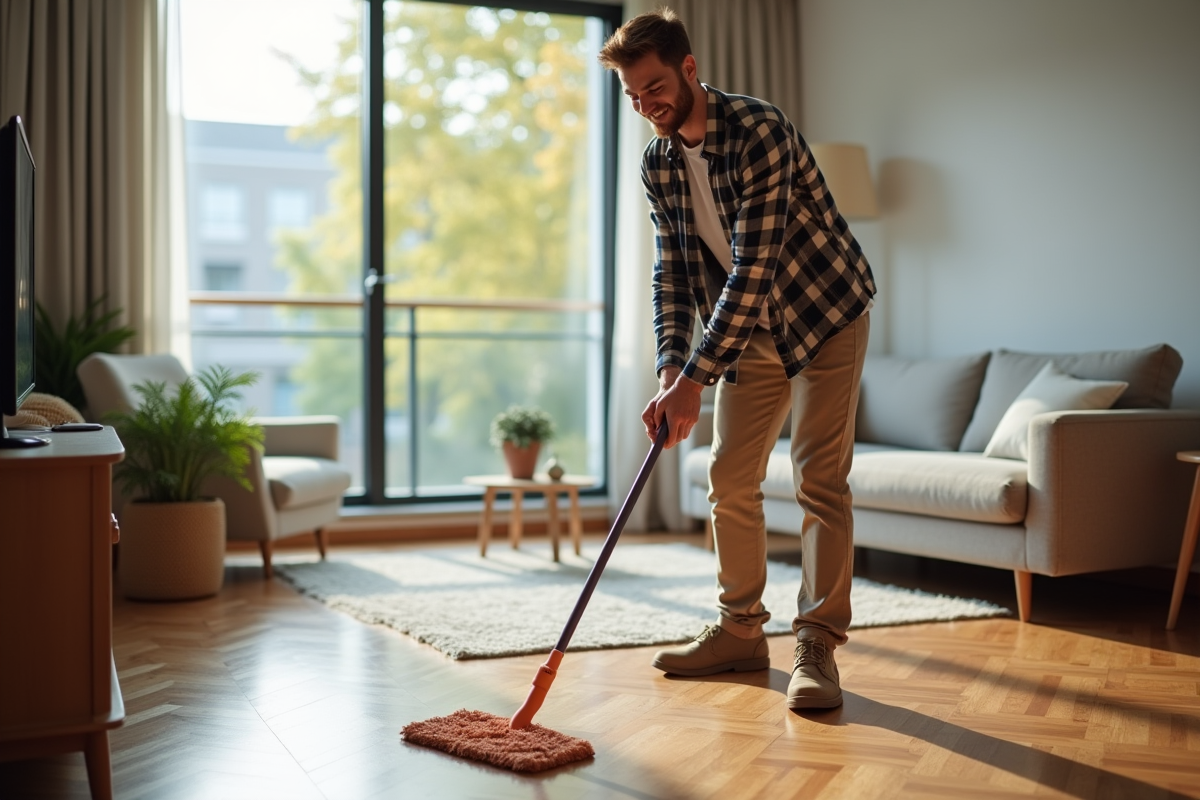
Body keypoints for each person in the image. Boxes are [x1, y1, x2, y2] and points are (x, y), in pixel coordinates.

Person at [598, 8, 876, 711]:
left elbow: (756, 265)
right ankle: (740, 630)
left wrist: (696, 378)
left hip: (824, 313)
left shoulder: (758, 130)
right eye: (633, 96)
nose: (646, 104)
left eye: (654, 86)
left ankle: (816, 642)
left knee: (818, 475)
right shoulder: (658, 162)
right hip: (750, 331)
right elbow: (672, 271)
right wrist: (671, 373)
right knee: (729, 475)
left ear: (690, 68)